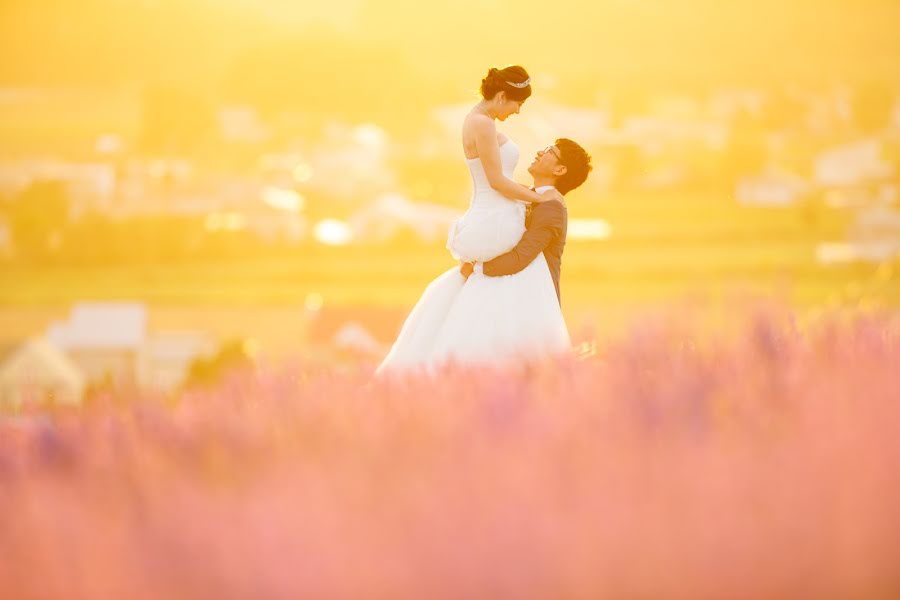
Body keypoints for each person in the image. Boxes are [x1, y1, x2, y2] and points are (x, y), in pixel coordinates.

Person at [376, 67, 588, 375]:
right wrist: (536, 197)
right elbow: (497, 182)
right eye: (517, 104)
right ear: (502, 96)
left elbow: (521, 257)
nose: (517, 112)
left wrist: (477, 268)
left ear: (560, 172)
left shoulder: (551, 206)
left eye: (549, 152)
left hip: (516, 270)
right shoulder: (488, 133)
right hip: (497, 234)